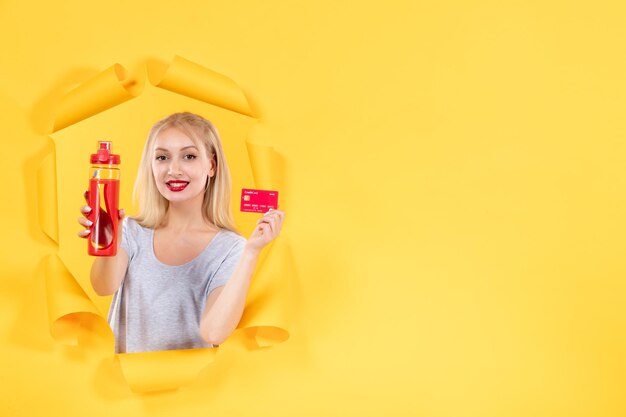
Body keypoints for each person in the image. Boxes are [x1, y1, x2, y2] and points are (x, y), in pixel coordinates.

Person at [77, 112, 284, 353]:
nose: (173, 170)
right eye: (162, 157)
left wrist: (251, 252)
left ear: (212, 166)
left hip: (192, 388)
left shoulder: (230, 248)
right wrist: (108, 243)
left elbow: (214, 332)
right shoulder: (132, 231)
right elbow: (103, 286)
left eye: (189, 156)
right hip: (126, 386)